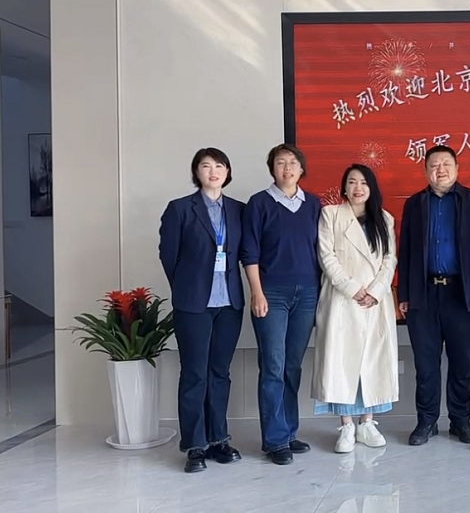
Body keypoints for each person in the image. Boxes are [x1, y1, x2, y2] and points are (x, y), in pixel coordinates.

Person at [158, 148, 246, 473]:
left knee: (220, 372)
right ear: (196, 172)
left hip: (230, 303)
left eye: (219, 165)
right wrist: (186, 286)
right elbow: (168, 255)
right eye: (206, 166)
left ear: (227, 172)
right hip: (194, 304)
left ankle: (219, 438)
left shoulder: (239, 210)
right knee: (194, 373)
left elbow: (245, 252)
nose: (213, 171)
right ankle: (195, 444)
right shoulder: (180, 208)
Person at [398, 146, 470, 446]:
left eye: (446, 164)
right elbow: (405, 250)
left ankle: (461, 420)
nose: (441, 170)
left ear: (458, 169)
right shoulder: (415, 204)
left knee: (461, 362)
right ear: (425, 171)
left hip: (461, 294)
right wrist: (404, 292)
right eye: (434, 165)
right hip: (423, 294)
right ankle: (427, 421)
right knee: (426, 364)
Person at [241, 143, 321, 466]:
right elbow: (250, 252)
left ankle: (289, 431)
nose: (287, 168)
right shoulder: (259, 203)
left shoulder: (313, 204)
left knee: (292, 366)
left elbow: (321, 251)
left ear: (302, 169)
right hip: (271, 293)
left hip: (308, 294)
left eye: (292, 163)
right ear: (272, 168)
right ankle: (274, 440)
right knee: (273, 365)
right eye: (280, 163)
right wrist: (256, 292)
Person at [312, 164, 398, 454]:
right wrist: (352, 288)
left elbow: (390, 260)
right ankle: (347, 425)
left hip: (374, 301)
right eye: (352, 182)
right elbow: (326, 256)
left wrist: (375, 291)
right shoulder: (331, 215)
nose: (358, 188)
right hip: (342, 300)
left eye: (363, 182)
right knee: (342, 363)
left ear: (371, 188)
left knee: (372, 362)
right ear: (344, 188)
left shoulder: (384, 219)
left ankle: (367, 423)